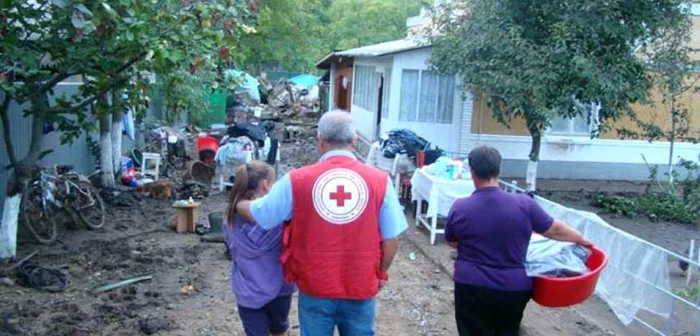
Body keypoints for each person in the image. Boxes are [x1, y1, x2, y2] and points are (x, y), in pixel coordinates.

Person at [235, 110, 408, 336]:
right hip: (360, 285)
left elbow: (262, 214)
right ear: (354, 140)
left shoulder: (296, 180)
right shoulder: (380, 181)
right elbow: (391, 240)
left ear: (320, 141)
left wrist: (238, 204)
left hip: (315, 286)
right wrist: (381, 273)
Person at [445, 146, 592, 336]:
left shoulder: (461, 207)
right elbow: (554, 230)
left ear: (472, 172)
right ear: (499, 170)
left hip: (472, 285)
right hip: (513, 288)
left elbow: (452, 241)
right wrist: (582, 240)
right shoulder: (524, 203)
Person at [223, 160, 295, 336]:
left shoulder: (230, 219)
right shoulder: (279, 219)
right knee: (279, 330)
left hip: (248, 291)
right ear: (265, 185)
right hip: (279, 289)